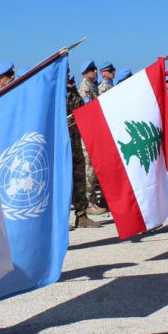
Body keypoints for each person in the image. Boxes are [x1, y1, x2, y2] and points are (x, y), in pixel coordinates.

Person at [66, 73, 100, 228]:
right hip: (62, 145)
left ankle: (82, 215)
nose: (67, 75)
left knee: (79, 179)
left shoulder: (72, 92)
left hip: (76, 141)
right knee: (63, 184)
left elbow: (82, 109)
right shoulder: (53, 94)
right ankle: (61, 221)